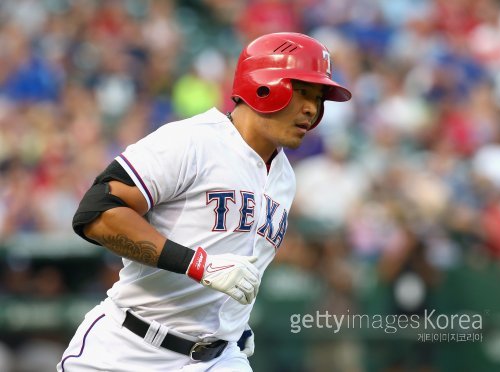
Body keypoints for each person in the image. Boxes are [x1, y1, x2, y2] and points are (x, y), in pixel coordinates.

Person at [57, 32, 351, 372]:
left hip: (217, 359)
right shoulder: (192, 141)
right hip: (129, 347)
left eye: (318, 98)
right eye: (303, 91)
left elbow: (237, 258)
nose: (312, 109)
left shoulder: (285, 176)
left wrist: (233, 325)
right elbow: (97, 213)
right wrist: (198, 265)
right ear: (263, 87)